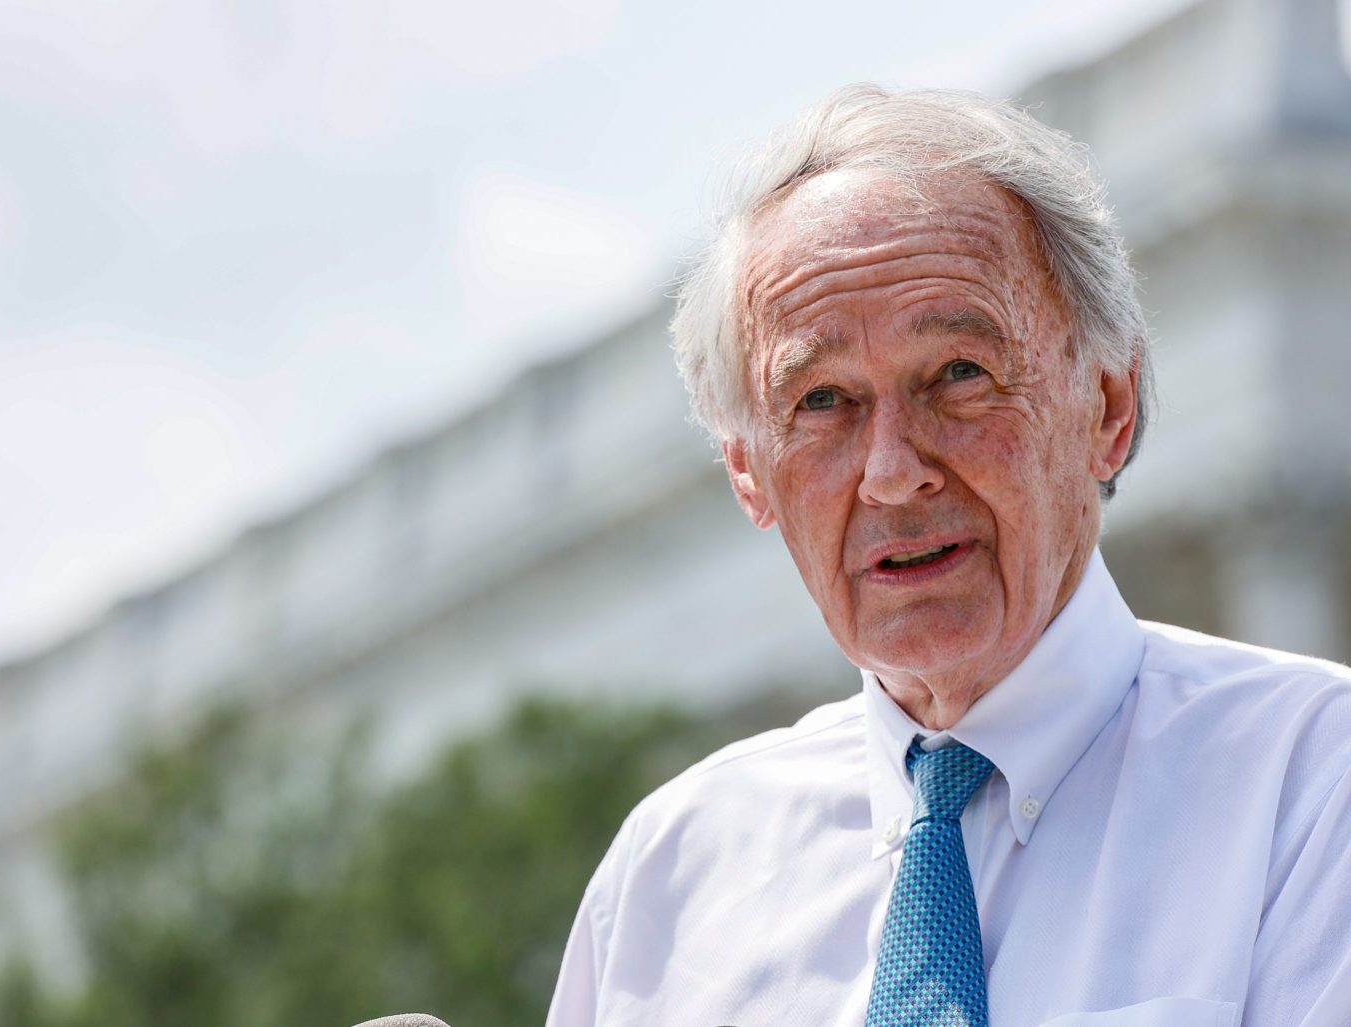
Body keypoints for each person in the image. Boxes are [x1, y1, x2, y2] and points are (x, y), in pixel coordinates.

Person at [545, 86, 1351, 1026]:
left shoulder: (1314, 780)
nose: (892, 473)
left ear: (1108, 406)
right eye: (821, 402)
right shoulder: (667, 881)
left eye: (959, 374)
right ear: (749, 475)